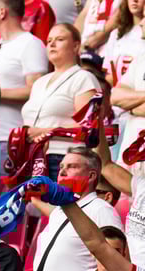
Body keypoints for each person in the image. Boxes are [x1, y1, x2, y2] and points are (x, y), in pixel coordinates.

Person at [32, 148, 121, 271]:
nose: (63, 171)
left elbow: (114, 262)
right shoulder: (59, 209)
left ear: (92, 176)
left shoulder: (102, 210)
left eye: (72, 166)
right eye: (61, 166)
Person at [21, 26, 100, 181]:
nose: (52, 44)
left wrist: (45, 131)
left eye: (60, 39)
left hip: (63, 157)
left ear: (76, 46)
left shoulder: (83, 78)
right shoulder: (39, 82)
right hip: (31, 157)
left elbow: (89, 128)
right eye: (49, 40)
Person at [0, 0, 48, 176]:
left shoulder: (30, 44)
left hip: (12, 139)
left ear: (2, 12)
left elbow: (36, 90)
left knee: (8, 200)